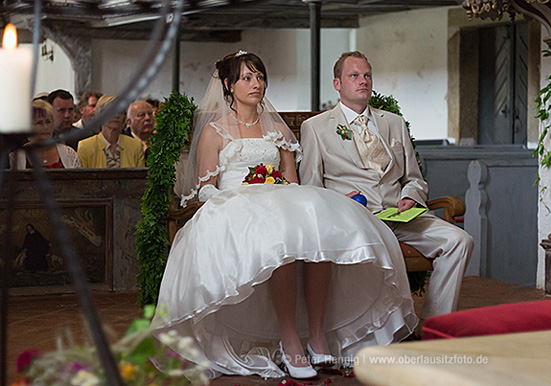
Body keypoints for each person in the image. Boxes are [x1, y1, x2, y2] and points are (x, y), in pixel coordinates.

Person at [152, 51, 417, 380]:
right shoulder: (215, 132)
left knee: (319, 239)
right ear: (228, 85)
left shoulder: (277, 128)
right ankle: (291, 342)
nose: (256, 84)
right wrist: (241, 198)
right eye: (247, 78)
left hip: (279, 200)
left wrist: (274, 188)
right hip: (235, 206)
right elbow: (206, 188)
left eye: (260, 77)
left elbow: (293, 182)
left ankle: (319, 341)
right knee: (281, 244)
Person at [299, 51, 474, 333]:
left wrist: (411, 197)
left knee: (459, 240)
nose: (363, 81)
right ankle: (375, 331)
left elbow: (415, 179)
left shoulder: (394, 122)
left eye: (367, 75)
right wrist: (336, 203)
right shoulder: (316, 128)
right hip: (356, 220)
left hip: (402, 216)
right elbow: (310, 188)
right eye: (354, 76)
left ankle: (434, 327)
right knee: (378, 248)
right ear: (337, 84)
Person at [77, 95, 145, 168]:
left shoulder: (136, 146)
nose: (117, 115)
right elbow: (83, 178)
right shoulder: (85, 146)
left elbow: (140, 178)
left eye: (120, 111)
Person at [10, 100, 81, 169]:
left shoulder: (70, 154)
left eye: (48, 122)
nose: (45, 127)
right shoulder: (16, 157)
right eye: (39, 123)